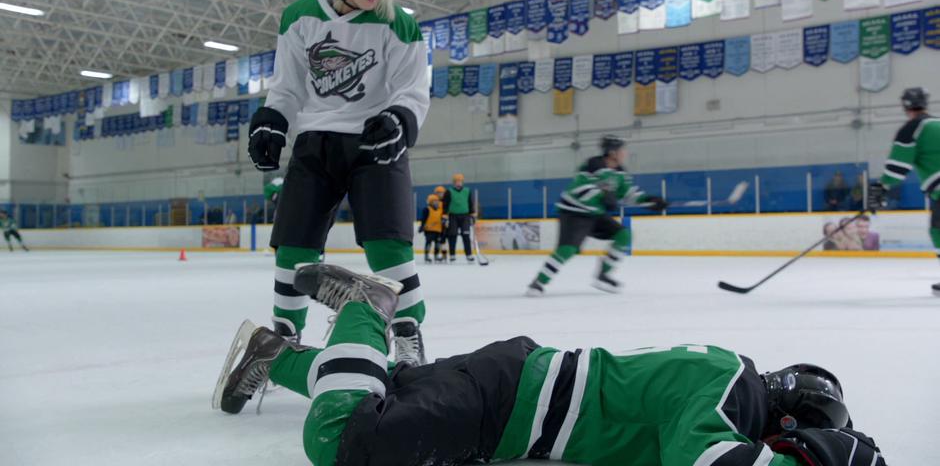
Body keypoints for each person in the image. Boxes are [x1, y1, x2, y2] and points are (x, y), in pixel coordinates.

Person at [214, 264, 887, 466]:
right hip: (506, 403)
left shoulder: (722, 372)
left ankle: (279, 358)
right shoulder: (730, 395)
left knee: (379, 387)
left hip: (513, 383)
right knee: (344, 440)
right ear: (788, 422)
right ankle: (368, 306)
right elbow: (710, 462)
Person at [246, 0, 430, 364]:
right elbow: (288, 87)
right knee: (294, 245)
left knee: (389, 245)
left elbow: (412, 90)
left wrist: (399, 119)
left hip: (378, 142)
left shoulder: (400, 23)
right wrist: (273, 120)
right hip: (316, 143)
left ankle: (407, 333)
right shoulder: (299, 17)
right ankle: (283, 339)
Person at [527, 136, 667, 296]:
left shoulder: (620, 173)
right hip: (574, 211)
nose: (625, 153)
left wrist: (650, 201)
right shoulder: (592, 165)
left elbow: (628, 194)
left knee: (624, 234)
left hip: (595, 213)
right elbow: (579, 189)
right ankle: (538, 282)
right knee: (568, 249)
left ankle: (603, 275)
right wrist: (603, 195)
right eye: (622, 149)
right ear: (613, 152)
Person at [870, 87, 940, 295]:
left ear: (905, 106)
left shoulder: (912, 128)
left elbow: (898, 166)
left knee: (938, 231)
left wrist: (882, 187)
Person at [441, 173, 476, 262]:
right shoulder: (449, 191)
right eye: (456, 181)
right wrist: (444, 216)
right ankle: (452, 254)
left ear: (462, 182)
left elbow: (470, 203)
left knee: (466, 235)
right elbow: (445, 205)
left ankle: (469, 254)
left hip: (465, 216)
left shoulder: (467, 191)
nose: (458, 183)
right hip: (453, 216)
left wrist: (472, 214)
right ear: (454, 182)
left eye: (460, 181)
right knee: (452, 235)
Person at [418, 194, 444, 263]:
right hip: (429, 230)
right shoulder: (427, 209)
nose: (436, 202)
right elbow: (423, 219)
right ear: (430, 202)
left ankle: (436, 256)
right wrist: (421, 226)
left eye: (437, 201)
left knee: (437, 244)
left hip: (438, 230)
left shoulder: (440, 210)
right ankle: (426, 256)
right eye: (434, 201)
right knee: (428, 243)